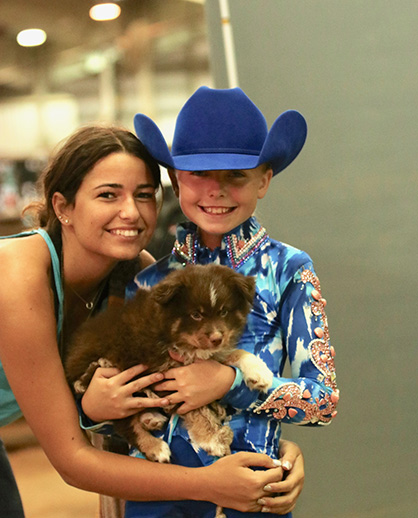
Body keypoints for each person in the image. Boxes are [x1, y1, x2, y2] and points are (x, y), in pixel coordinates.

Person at [0, 123, 304, 517]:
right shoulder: (17, 276)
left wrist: (275, 451)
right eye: (108, 194)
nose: (131, 211)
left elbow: (169, 384)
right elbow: (71, 458)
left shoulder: (136, 273)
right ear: (62, 207)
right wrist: (209, 485)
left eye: (145, 195)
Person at [122, 86, 340, 518]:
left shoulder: (288, 270)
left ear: (264, 179)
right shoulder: (148, 282)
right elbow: (129, 397)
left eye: (236, 175)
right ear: (175, 179)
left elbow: (323, 401)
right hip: (158, 495)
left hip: (255, 495)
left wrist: (230, 384)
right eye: (198, 174)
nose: (215, 190)